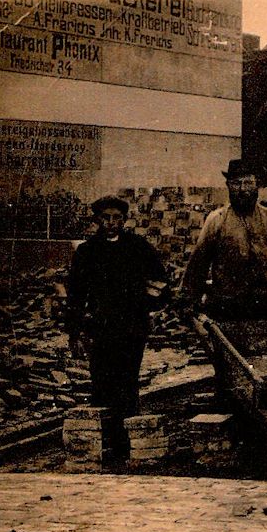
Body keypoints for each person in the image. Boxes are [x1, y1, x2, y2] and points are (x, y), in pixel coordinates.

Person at [66, 195, 168, 457]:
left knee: (127, 381)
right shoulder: (87, 252)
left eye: (117, 218)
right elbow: (75, 294)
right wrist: (75, 332)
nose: (111, 223)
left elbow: (160, 281)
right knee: (101, 381)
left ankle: (126, 443)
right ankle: (106, 442)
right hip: (100, 329)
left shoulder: (138, 247)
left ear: (124, 220)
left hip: (132, 328)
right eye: (106, 218)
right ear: (97, 220)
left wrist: (146, 306)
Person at [182, 159, 267, 321]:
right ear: (228, 185)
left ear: (257, 185)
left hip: (266, 304)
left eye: (248, 183)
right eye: (236, 183)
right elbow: (198, 263)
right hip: (228, 305)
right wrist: (190, 300)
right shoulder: (216, 220)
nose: (242, 189)